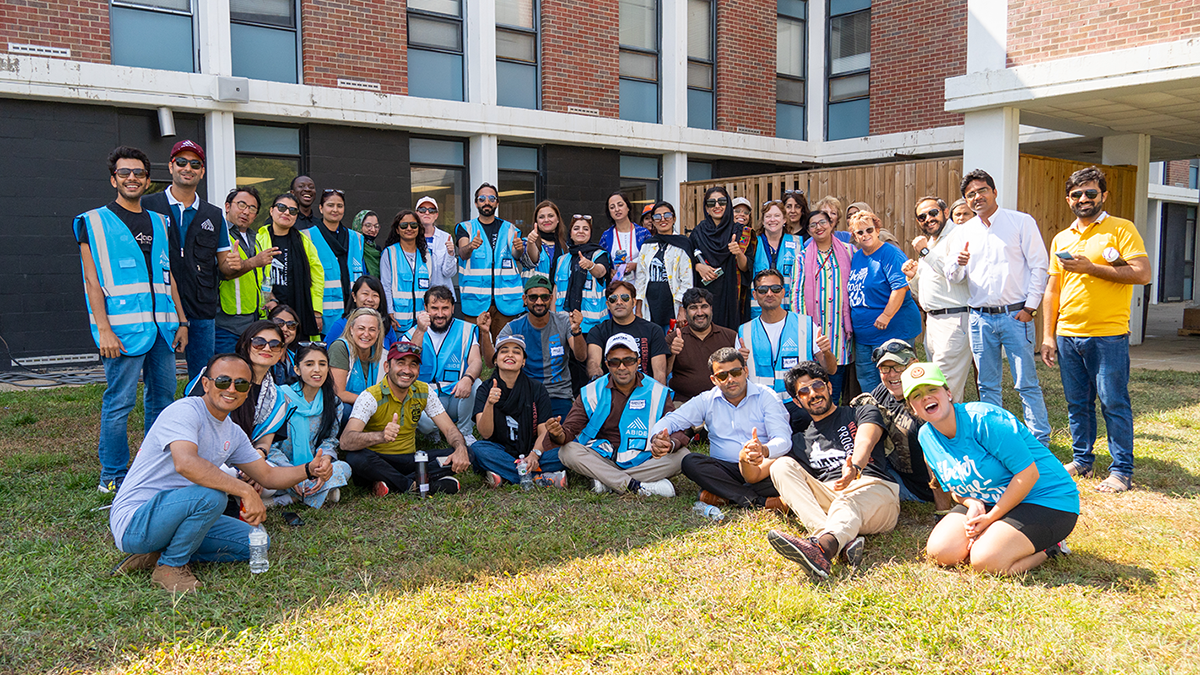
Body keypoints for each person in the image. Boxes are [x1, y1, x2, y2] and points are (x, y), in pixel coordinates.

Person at [108, 354, 334, 593]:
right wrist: (245, 490)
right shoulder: (185, 411)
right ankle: (171, 566)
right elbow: (186, 463)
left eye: (241, 384)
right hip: (135, 521)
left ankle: (156, 554)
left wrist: (309, 470)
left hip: (180, 514)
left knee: (256, 542)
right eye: (223, 381)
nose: (232, 389)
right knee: (213, 495)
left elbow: (267, 476)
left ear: (248, 391)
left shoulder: (232, 432)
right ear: (206, 384)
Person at [75, 146, 187, 493]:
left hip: (163, 329)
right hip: (122, 332)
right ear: (114, 179)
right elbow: (92, 280)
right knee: (119, 402)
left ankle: (155, 467)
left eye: (138, 173)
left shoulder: (159, 222)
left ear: (147, 180)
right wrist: (103, 329)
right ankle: (113, 474)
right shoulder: (91, 221)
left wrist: (181, 321)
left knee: (163, 400)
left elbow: (169, 277)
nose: (132, 178)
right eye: (125, 173)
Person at [904, 363, 1079, 575]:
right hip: (989, 500)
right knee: (941, 552)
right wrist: (973, 503)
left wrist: (991, 518)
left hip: (1045, 499)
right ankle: (998, 536)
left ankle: (1052, 547)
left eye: (932, 389)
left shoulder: (984, 419)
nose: (925, 397)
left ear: (948, 393)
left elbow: (1029, 474)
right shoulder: (926, 437)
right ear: (912, 407)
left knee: (986, 562)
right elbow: (952, 487)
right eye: (916, 394)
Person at [1041, 167, 1150, 494]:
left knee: (1113, 402)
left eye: (1090, 193)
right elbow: (1053, 290)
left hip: (1108, 334)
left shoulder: (1121, 229)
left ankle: (1121, 471)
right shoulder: (1062, 237)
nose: (1084, 199)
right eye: (1077, 194)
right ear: (1068, 199)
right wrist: (1048, 335)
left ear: (1103, 195)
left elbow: (1142, 273)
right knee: (1077, 403)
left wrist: (1091, 268)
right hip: (1067, 334)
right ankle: (1082, 460)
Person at [760, 361, 900, 581]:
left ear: (829, 387)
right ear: (797, 401)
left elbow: (866, 438)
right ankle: (832, 538)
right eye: (804, 391)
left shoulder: (861, 412)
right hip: (831, 496)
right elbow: (754, 475)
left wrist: (855, 466)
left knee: (845, 503)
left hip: (875, 490)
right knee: (780, 465)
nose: (813, 393)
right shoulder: (800, 440)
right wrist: (747, 457)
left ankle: (822, 549)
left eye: (817, 386)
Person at [945, 169, 1052, 446]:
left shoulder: (1020, 222)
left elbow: (1040, 266)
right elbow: (953, 277)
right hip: (980, 318)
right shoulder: (964, 231)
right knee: (987, 385)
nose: (976, 197)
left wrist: (1030, 308)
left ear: (994, 192)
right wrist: (958, 262)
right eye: (970, 195)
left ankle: (1040, 441)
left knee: (1026, 383)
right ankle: (997, 439)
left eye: (981, 191)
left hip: (1016, 315)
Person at [651, 348, 792, 510]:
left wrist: (764, 450)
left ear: (746, 371)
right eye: (722, 376)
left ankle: (723, 494)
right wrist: (658, 436)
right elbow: (672, 420)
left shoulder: (766, 396)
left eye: (736, 372)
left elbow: (783, 440)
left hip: (761, 467)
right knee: (690, 462)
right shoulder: (706, 400)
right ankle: (759, 501)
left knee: (785, 469)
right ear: (713, 379)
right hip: (725, 470)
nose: (730, 379)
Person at [556, 334, 689, 496]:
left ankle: (608, 481)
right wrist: (558, 434)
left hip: (644, 459)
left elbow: (678, 431)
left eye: (628, 361)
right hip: (603, 458)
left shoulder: (657, 391)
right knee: (567, 451)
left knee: (683, 456)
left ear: (638, 362)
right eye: (614, 362)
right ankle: (637, 486)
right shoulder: (592, 390)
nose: (622, 367)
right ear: (607, 364)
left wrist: (670, 443)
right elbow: (569, 431)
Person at [143, 140, 228, 381]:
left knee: (203, 377)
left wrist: (246, 263)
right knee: (160, 382)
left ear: (202, 171)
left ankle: (200, 419)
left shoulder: (213, 214)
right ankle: (161, 420)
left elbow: (224, 264)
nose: (187, 168)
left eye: (195, 163)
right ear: (171, 167)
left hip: (201, 308)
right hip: (159, 304)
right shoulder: (148, 205)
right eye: (181, 162)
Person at [339, 341, 472, 495]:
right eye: (400, 363)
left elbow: (449, 429)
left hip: (411, 460)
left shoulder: (424, 391)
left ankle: (392, 483)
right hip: (378, 460)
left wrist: (460, 448)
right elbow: (345, 441)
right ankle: (419, 486)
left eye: (413, 364)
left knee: (467, 452)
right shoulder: (370, 397)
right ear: (387, 367)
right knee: (356, 458)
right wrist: (381, 436)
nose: (407, 370)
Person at [850, 339, 953, 509]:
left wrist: (943, 510)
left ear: (914, 364)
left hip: (917, 489)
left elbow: (937, 462)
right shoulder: (884, 391)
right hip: (891, 469)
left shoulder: (926, 403)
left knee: (860, 490)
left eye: (898, 367)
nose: (892, 374)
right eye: (885, 368)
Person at [471, 335, 566, 487]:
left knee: (566, 451)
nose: (510, 355)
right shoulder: (485, 389)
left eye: (516, 352)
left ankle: (507, 474)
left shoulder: (536, 389)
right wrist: (490, 404)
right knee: (477, 449)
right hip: (501, 449)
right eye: (504, 351)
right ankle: (538, 477)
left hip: (532, 449)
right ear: (495, 360)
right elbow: (485, 433)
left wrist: (535, 454)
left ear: (523, 362)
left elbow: (543, 432)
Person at [901, 196, 972, 402]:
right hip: (932, 322)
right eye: (922, 216)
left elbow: (956, 275)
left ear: (945, 212)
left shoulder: (958, 235)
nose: (928, 219)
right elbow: (924, 289)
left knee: (944, 387)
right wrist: (913, 277)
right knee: (938, 383)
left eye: (933, 213)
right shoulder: (931, 241)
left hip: (954, 319)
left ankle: (951, 432)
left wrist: (924, 252)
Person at [267, 343, 352, 509]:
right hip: (282, 466)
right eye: (309, 364)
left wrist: (325, 464)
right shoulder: (281, 397)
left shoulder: (333, 402)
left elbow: (330, 440)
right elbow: (270, 446)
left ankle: (290, 499)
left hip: (314, 468)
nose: (317, 370)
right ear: (297, 370)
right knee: (265, 477)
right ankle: (322, 493)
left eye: (322, 364)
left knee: (345, 467)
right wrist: (293, 474)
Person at [185, 320, 289, 454]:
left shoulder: (277, 398)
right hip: (203, 452)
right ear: (246, 345)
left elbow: (264, 442)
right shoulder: (218, 375)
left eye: (275, 345)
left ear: (280, 353)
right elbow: (192, 416)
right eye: (259, 342)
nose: (267, 348)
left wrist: (258, 455)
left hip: (248, 460)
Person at [846, 210, 922, 393]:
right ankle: (876, 418)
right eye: (860, 232)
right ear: (854, 236)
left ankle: (901, 418)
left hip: (892, 331)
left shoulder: (889, 253)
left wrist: (886, 315)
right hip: (864, 336)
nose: (865, 235)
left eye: (869, 230)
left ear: (878, 229)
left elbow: (901, 287)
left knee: (897, 381)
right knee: (868, 382)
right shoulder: (857, 257)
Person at [737, 269, 835, 404]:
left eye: (776, 289)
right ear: (754, 294)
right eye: (763, 290)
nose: (769, 293)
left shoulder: (805, 325)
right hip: (761, 404)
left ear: (783, 292)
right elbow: (738, 378)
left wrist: (827, 352)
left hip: (801, 403)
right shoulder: (744, 331)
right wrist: (741, 363)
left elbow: (831, 369)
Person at [498, 275, 587, 417]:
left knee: (561, 436)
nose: (539, 302)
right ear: (524, 300)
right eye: (533, 297)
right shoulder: (513, 327)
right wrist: (484, 333)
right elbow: (492, 361)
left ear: (551, 299)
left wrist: (576, 331)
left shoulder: (564, 321)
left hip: (559, 394)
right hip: (525, 393)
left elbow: (581, 356)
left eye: (544, 297)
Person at [405, 285, 483, 445]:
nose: (440, 314)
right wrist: (420, 331)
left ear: (453, 308)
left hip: (456, 394)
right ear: (425, 308)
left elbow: (476, 361)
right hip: (426, 396)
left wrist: (468, 378)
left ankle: (465, 431)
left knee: (477, 384)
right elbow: (408, 363)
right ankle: (432, 432)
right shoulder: (412, 332)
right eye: (434, 308)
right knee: (427, 423)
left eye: (445, 308)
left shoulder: (465, 329)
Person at [794, 210, 854, 404]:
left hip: (840, 330)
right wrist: (805, 330)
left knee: (835, 387)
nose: (818, 227)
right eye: (813, 225)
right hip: (815, 331)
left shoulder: (849, 251)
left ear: (831, 224)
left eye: (822, 222)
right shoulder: (802, 257)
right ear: (809, 231)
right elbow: (796, 293)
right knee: (815, 383)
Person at [456, 182, 525, 339]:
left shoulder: (510, 229)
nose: (486, 202)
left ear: (497, 202)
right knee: (476, 350)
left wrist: (519, 248)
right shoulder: (465, 228)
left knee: (504, 347)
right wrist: (470, 246)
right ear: (476, 203)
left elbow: (516, 254)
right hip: (476, 303)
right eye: (482, 198)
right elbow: (463, 253)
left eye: (491, 198)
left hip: (506, 303)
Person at [216, 187, 279, 355]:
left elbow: (258, 279)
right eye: (241, 205)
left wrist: (270, 300)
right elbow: (226, 273)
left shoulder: (255, 239)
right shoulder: (219, 234)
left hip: (253, 324)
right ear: (227, 206)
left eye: (252, 209)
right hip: (227, 326)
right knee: (228, 374)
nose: (246, 211)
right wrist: (254, 262)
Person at [259, 193, 324, 340]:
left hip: (299, 310)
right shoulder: (259, 238)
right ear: (271, 211)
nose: (287, 212)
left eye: (293, 210)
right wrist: (269, 298)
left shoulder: (304, 242)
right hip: (268, 311)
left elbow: (317, 277)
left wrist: (316, 311)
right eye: (281, 208)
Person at [586, 280, 669, 384]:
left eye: (625, 298)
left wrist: (656, 397)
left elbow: (659, 373)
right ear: (607, 304)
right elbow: (593, 363)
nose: (619, 302)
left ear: (634, 302)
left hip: (645, 392)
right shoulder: (597, 331)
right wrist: (599, 384)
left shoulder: (653, 330)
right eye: (613, 299)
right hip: (611, 391)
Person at [305, 188, 364, 333]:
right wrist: (315, 313)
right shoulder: (308, 236)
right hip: (324, 316)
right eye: (330, 205)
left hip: (354, 314)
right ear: (321, 208)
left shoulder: (357, 238)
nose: (335, 209)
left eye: (339, 206)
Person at [666, 288, 737, 403]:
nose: (700, 313)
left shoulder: (730, 337)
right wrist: (672, 353)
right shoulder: (674, 338)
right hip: (684, 403)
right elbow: (662, 374)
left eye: (704, 307)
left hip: (724, 402)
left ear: (711, 309)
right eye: (693, 308)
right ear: (685, 311)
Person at [690, 186, 747, 330]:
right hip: (705, 296)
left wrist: (738, 253)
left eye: (721, 201)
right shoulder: (698, 232)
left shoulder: (740, 231)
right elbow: (687, 260)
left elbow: (746, 267)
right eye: (711, 203)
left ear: (728, 205)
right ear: (706, 208)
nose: (717, 206)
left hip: (732, 295)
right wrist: (697, 266)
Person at [634, 201, 693, 329]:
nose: (662, 219)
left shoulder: (683, 244)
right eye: (657, 217)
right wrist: (638, 310)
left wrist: (682, 310)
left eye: (667, 215)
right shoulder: (647, 246)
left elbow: (687, 281)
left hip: (673, 307)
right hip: (650, 306)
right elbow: (640, 279)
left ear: (674, 218)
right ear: (653, 222)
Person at [554, 214, 610, 333]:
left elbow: (601, 272)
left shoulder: (599, 254)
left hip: (592, 325)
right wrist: (552, 317)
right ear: (570, 233)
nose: (581, 231)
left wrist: (591, 266)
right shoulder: (562, 259)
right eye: (576, 228)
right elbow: (556, 289)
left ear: (590, 233)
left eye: (585, 229)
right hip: (564, 323)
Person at [329, 307, 387, 421]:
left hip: (369, 405)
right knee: (346, 410)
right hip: (345, 406)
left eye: (372, 329)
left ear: (378, 332)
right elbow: (338, 393)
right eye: (361, 328)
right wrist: (371, 402)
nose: (366, 334)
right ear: (351, 329)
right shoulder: (340, 347)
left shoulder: (382, 353)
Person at [380, 209, 431, 334]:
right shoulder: (389, 253)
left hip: (422, 320)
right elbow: (385, 286)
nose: (409, 228)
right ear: (397, 230)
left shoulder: (426, 254)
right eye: (404, 225)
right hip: (398, 321)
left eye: (413, 225)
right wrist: (389, 313)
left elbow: (431, 285)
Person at [748, 201, 800, 319]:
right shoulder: (753, 244)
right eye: (768, 216)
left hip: (789, 311)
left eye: (777, 216)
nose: (772, 220)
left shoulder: (798, 243)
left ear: (784, 220)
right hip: (758, 312)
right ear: (763, 221)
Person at [323, 275, 399, 347]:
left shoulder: (386, 326)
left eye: (375, 295)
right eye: (365, 294)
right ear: (354, 296)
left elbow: (393, 356)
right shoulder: (340, 326)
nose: (370, 299)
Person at [599, 191, 649, 285]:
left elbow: (651, 258)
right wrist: (609, 271)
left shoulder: (643, 233)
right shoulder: (606, 236)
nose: (617, 209)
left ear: (628, 207)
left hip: (640, 286)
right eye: (612, 207)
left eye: (620, 205)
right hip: (616, 287)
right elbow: (601, 261)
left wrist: (636, 265)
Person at [414, 196, 458, 300]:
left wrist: (451, 254)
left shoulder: (445, 237)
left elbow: (449, 273)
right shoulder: (411, 237)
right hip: (419, 295)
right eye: (422, 210)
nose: (427, 213)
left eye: (432, 210)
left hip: (442, 297)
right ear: (416, 213)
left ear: (436, 215)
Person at [521, 200, 570, 284]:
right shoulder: (527, 242)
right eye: (541, 217)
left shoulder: (565, 247)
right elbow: (531, 261)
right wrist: (531, 242)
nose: (546, 220)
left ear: (558, 219)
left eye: (550, 216)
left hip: (557, 296)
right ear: (536, 221)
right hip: (535, 295)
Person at [267, 304, 302, 387]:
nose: (285, 329)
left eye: (291, 325)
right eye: (279, 323)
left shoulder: (295, 358)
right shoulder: (263, 356)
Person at [350, 210, 382, 278]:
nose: (373, 230)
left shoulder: (378, 250)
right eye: (368, 225)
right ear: (358, 226)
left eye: (376, 226)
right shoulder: (351, 248)